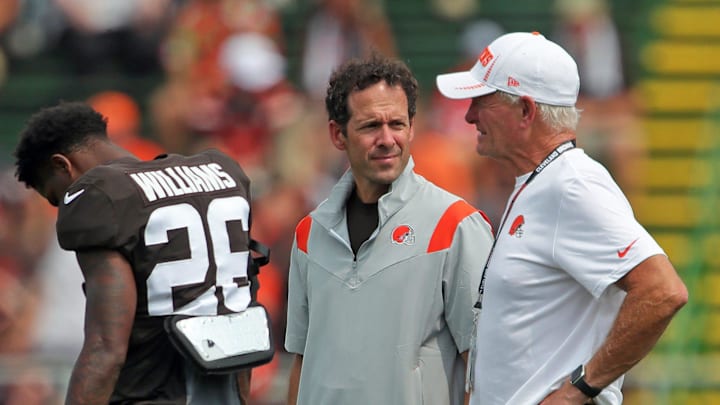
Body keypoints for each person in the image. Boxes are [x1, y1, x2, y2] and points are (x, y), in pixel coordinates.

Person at [435, 32, 688, 404]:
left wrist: (578, 392)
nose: (469, 115)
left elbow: (663, 292)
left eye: (482, 101)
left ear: (526, 111)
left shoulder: (571, 184)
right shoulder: (543, 181)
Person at [13, 101, 265, 404]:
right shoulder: (222, 171)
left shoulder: (99, 196)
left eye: (56, 196)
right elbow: (238, 309)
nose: (61, 207)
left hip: (149, 391)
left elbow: (106, 349)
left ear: (62, 165)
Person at [284, 54, 494, 405]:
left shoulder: (456, 224)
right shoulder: (309, 234)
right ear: (338, 134)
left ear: (412, 127)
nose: (387, 139)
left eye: (396, 124)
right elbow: (302, 362)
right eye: (370, 126)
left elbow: (484, 367)